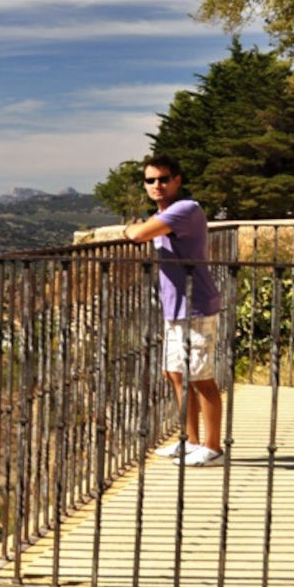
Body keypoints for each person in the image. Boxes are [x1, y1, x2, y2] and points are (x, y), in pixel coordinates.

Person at [122, 155, 224, 467]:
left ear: (177, 180)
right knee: (175, 374)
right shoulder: (164, 215)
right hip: (175, 307)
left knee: (201, 378)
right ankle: (190, 441)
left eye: (164, 179)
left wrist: (130, 227)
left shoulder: (185, 209)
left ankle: (213, 448)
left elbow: (138, 235)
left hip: (196, 306)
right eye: (150, 180)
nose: (157, 185)